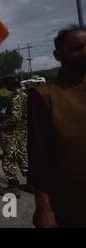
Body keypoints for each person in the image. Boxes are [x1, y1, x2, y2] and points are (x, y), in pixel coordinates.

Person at [28, 26, 86, 228]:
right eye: (77, 48)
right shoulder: (44, 96)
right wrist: (43, 207)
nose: (85, 51)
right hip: (72, 203)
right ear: (58, 55)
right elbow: (38, 154)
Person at [0, 76, 28, 198]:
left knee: (9, 158)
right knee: (23, 155)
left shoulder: (15, 97)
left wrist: (2, 125)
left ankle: (13, 187)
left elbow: (14, 117)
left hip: (13, 132)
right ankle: (32, 183)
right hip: (22, 131)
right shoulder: (23, 95)